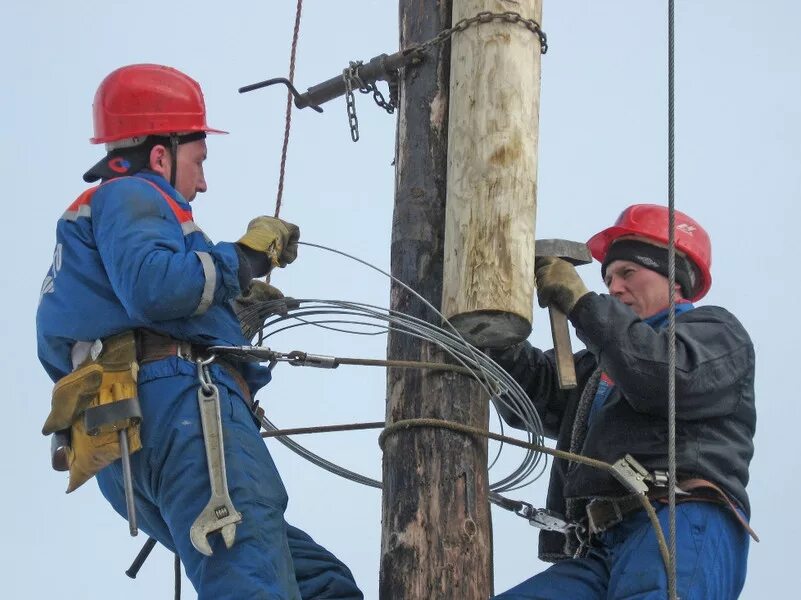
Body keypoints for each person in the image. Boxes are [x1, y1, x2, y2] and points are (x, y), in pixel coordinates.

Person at [36, 63, 363, 600]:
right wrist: (245, 258)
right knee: (251, 584)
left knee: (322, 584)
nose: (203, 182)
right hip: (183, 409)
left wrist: (231, 309)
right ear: (161, 155)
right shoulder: (132, 194)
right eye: (198, 160)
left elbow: (133, 311)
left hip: (127, 434)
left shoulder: (86, 236)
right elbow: (154, 286)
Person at [491, 205, 756, 599]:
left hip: (677, 520)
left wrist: (583, 305)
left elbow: (663, 378)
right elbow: (535, 394)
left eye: (628, 273)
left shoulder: (715, 333)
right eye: (608, 278)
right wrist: (491, 337)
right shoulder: (599, 366)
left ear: (675, 279)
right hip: (599, 547)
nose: (614, 288)